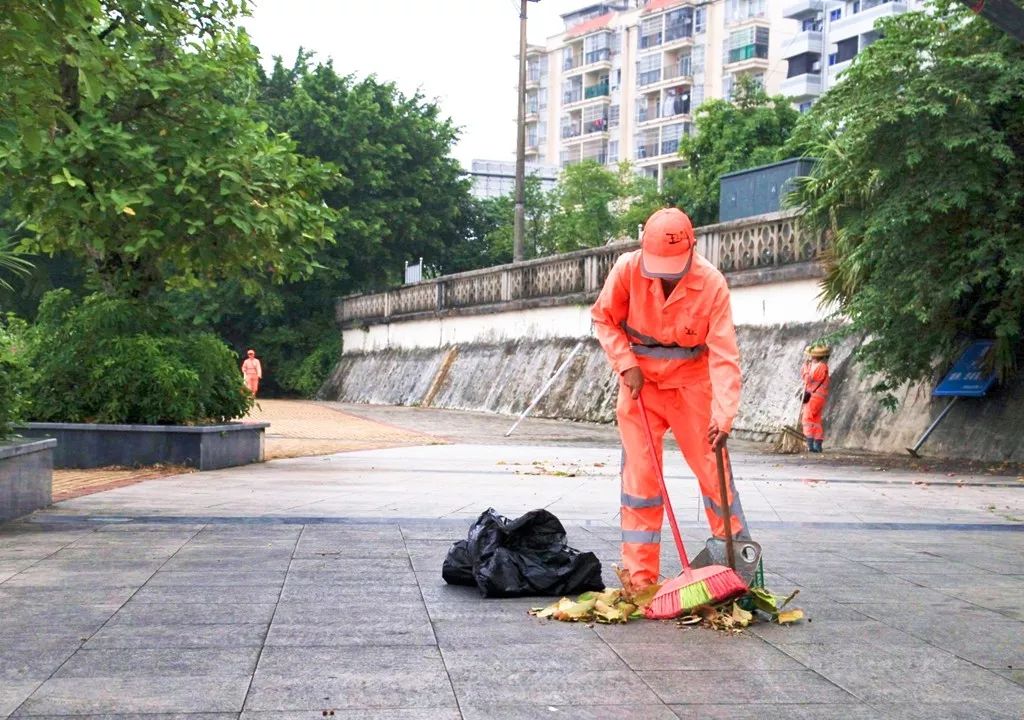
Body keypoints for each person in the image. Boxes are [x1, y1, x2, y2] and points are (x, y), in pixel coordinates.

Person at [591, 207, 750, 588]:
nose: (665, 273)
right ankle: (640, 582)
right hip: (639, 386)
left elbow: (725, 355)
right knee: (641, 483)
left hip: (692, 388)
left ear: (692, 250)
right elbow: (603, 318)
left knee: (716, 478)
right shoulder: (628, 269)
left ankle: (736, 568)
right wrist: (625, 363)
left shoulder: (711, 284)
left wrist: (724, 415)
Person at [801, 345, 830, 453]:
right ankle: (817, 444)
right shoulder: (821, 366)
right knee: (816, 420)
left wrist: (805, 370)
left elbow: (808, 380)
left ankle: (810, 444)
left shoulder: (820, 367)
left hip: (814, 396)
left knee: (807, 419)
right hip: (819, 397)